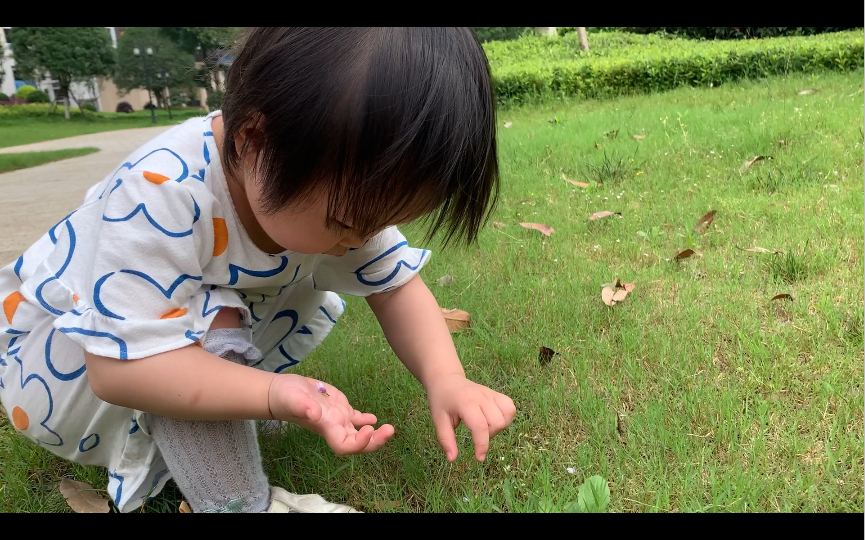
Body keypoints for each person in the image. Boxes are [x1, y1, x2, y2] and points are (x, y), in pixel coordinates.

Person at [0, 27, 515, 513]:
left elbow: (396, 285)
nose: (361, 241)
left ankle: (222, 415)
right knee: (208, 318)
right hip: (61, 369)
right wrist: (271, 393)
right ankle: (241, 501)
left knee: (231, 311)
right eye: (345, 223)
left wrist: (447, 379)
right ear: (253, 143)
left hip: (142, 347)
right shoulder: (162, 191)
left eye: (386, 221)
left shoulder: (320, 176)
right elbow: (119, 367)